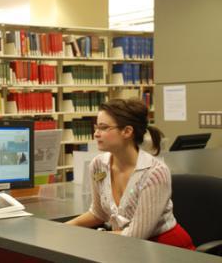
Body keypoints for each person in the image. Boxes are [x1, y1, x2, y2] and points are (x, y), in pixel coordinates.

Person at [66, 98, 195, 250]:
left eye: (103, 128)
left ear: (127, 131)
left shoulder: (155, 173)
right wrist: (66, 227)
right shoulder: (98, 165)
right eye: (96, 127)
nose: (96, 134)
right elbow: (98, 213)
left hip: (165, 249)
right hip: (124, 245)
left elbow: (137, 235)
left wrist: (92, 239)